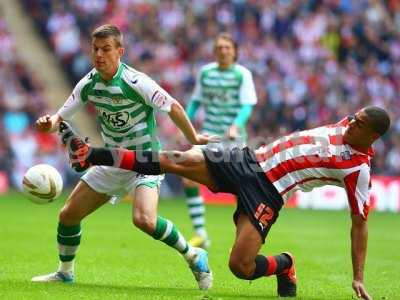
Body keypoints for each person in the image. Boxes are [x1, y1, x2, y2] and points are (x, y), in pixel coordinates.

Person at [61, 106, 390, 299]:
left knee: (240, 267)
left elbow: (360, 224)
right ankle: (93, 154)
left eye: (359, 123)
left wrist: (358, 276)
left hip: (268, 193)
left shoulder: (357, 170)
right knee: (176, 160)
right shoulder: (350, 124)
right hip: (246, 160)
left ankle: (285, 264)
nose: (350, 122)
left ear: (372, 137)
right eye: (353, 117)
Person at [32, 24, 214, 290]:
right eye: (95, 49)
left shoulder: (135, 81)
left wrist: (193, 137)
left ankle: (193, 254)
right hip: (112, 161)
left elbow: (172, 105)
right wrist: (47, 123)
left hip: (145, 161)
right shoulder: (89, 83)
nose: (99, 55)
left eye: (106, 49)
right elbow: (61, 116)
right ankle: (65, 272)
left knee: (144, 220)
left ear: (120, 51)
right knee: (68, 215)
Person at [183, 33, 257, 248]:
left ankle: (243, 237)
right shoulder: (206, 73)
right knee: (187, 176)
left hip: (233, 140)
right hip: (209, 136)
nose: (223, 51)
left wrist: (236, 124)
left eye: (227, 47)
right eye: (219, 47)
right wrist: (185, 125)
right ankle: (201, 234)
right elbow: (196, 101)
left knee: (241, 189)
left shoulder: (243, 74)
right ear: (215, 51)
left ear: (234, 51)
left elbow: (247, 105)